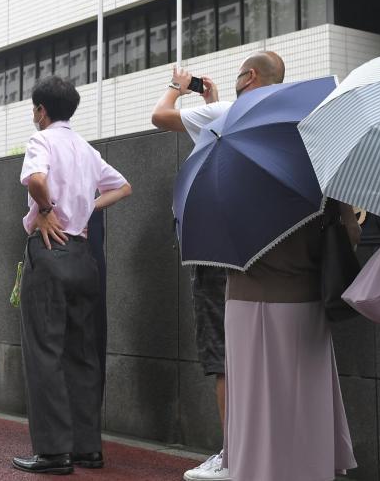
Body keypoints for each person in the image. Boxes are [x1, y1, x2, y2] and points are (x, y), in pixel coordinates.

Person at [151, 52, 284, 481]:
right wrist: (213, 98)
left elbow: (160, 116)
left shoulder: (226, 112)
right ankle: (264, 450)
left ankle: (232, 456)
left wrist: (178, 83)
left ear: (248, 76)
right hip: (266, 249)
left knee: (221, 356)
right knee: (253, 353)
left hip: (217, 248)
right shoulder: (279, 119)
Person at [12, 76, 132, 475]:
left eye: (35, 109)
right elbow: (124, 187)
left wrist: (46, 211)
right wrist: (85, 208)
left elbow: (37, 180)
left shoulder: (41, 140)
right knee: (83, 353)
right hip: (83, 255)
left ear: (41, 110)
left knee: (45, 353)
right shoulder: (85, 148)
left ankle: (53, 452)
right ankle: (87, 449)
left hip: (49, 253)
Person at [224, 201, 360, 480]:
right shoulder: (318, 175)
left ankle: (252, 471)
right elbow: (350, 234)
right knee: (303, 402)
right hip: (299, 300)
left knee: (253, 406)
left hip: (241, 300)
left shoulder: (226, 176)